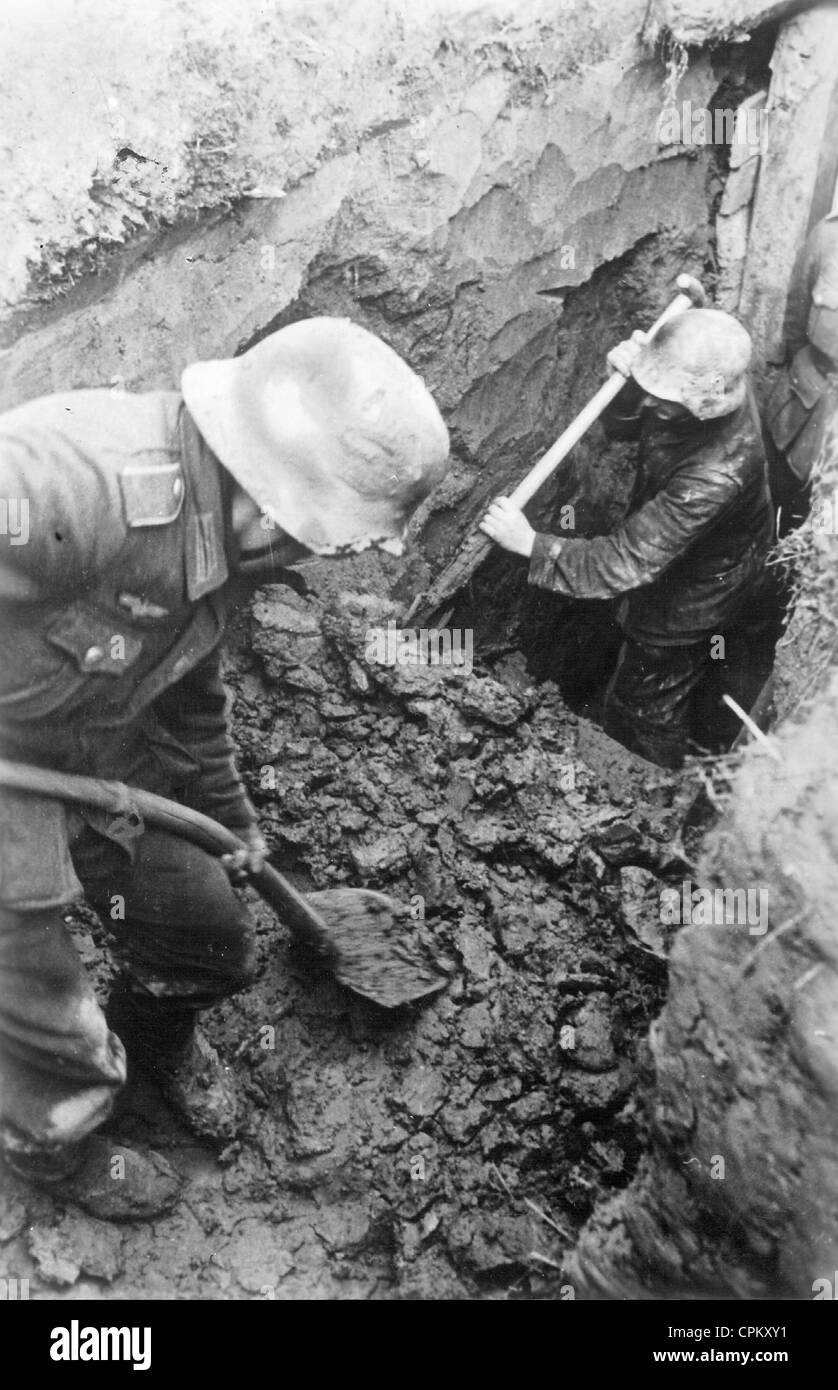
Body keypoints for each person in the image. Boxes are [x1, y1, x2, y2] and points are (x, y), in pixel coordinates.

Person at [0, 316, 449, 1218]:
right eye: (328, 536)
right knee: (37, 990)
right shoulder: (72, 481)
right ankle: (57, 1142)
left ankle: (155, 1043)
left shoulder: (233, 537)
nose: (328, 554)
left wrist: (231, 818)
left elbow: (188, 691)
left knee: (206, 937)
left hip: (91, 738)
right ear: (272, 494)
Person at [480, 307, 774, 769]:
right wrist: (626, 381)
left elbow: (626, 562)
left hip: (697, 595)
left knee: (645, 702)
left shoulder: (717, 474)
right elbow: (626, 423)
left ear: (705, 401)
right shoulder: (705, 381)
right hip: (687, 548)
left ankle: (649, 790)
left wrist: (531, 544)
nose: (652, 405)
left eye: (663, 397)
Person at [766, 210, 838, 533]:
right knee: (778, 497)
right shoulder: (828, 235)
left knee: (826, 529)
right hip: (809, 396)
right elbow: (797, 311)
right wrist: (803, 373)